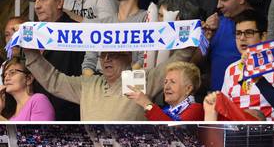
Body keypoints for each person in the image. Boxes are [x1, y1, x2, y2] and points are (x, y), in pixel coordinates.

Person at [23, 43, 194, 121]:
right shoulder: (88, 84)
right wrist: (31, 53)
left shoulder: (141, 78)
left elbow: (176, 63)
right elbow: (54, 80)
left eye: (113, 54)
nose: (106, 59)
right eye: (103, 55)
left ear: (128, 56)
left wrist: (193, 40)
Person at [221, 9, 274, 121]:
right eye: (238, 33)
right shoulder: (230, 70)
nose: (242, 38)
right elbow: (226, 111)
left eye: (249, 33)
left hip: (273, 134)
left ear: (263, 36)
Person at [32, 0, 84, 121]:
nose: (37, 6)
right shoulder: (32, 34)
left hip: (67, 119)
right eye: (35, 0)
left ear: (60, 2)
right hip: (37, 116)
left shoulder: (77, 33)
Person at [81, 0, 147, 75]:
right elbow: (88, 63)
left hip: (129, 82)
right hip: (98, 81)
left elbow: (144, 59)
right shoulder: (102, 23)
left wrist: (118, 82)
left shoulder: (146, 19)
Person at [203, 0, 253, 91]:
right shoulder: (216, 24)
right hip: (216, 99)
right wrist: (205, 38)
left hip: (248, 99)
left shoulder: (261, 26)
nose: (218, 5)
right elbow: (196, 62)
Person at [125, 62, 204, 121]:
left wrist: (146, 104)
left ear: (188, 89)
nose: (166, 87)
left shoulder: (196, 109)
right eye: (165, 82)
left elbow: (174, 129)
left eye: (173, 82)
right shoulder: (166, 110)